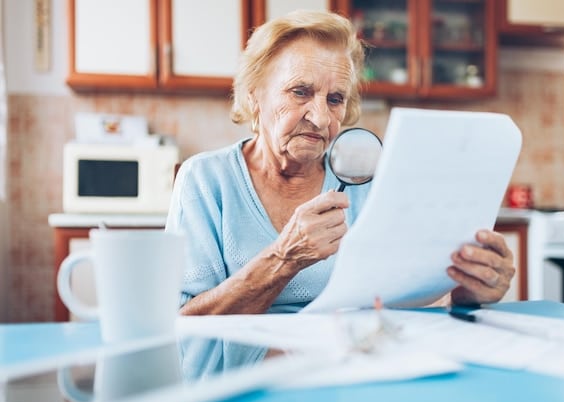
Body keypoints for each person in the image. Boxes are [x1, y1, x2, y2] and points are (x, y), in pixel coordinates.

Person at [165, 10, 515, 320]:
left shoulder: (366, 184)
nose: (320, 118)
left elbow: (393, 306)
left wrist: (466, 293)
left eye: (335, 100)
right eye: (300, 91)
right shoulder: (206, 180)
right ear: (255, 95)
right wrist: (284, 259)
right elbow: (184, 319)